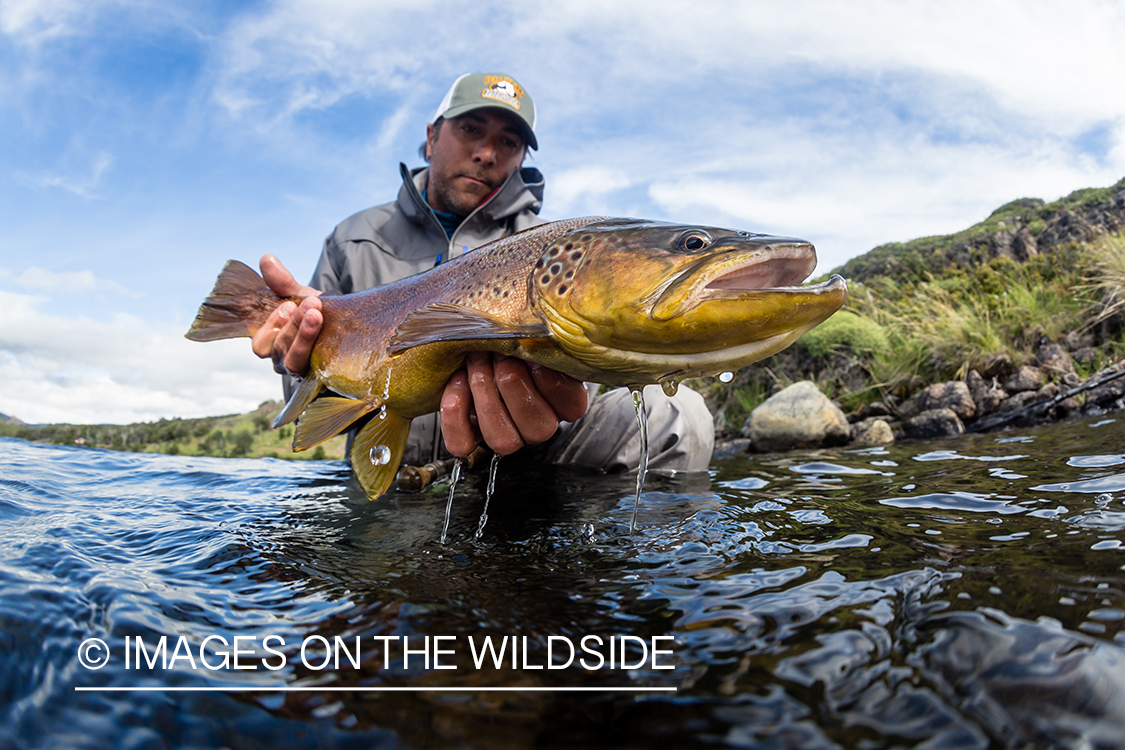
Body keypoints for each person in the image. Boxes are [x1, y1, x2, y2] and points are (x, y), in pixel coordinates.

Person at [250, 72, 714, 477]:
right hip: (390, 466)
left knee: (677, 415)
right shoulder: (353, 239)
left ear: (519, 159)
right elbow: (307, 398)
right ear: (432, 137)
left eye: (508, 142)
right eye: (471, 129)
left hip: (525, 465)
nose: (487, 152)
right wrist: (296, 354)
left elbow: (585, 369)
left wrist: (546, 399)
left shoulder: (552, 247)